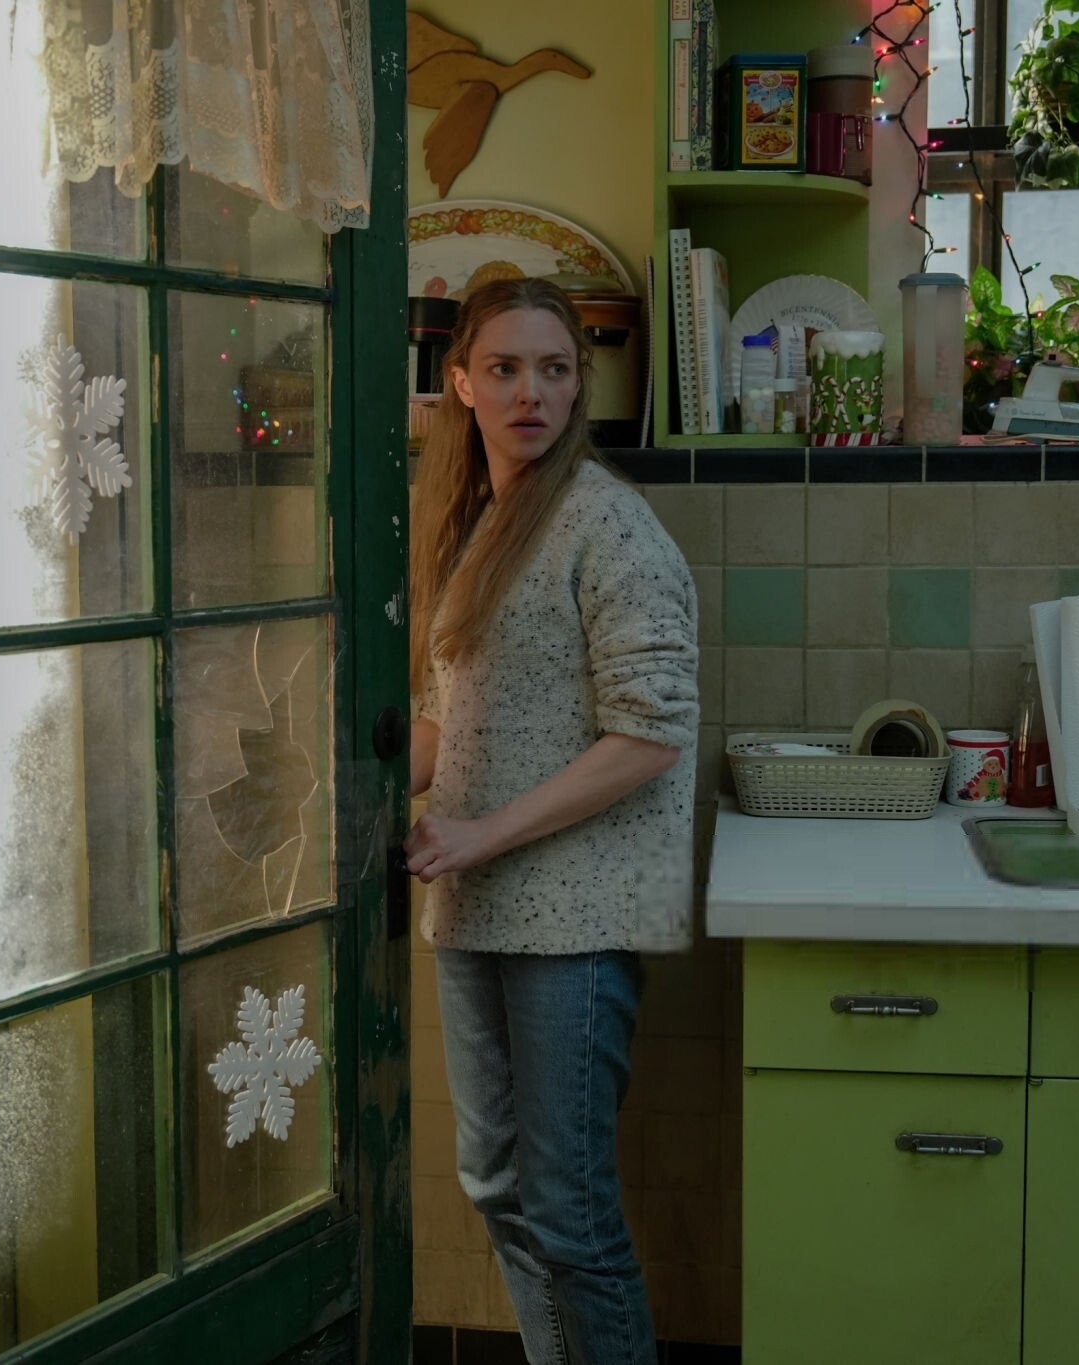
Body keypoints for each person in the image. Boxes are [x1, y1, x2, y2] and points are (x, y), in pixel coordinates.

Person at [406, 276, 699, 1365]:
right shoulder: (471, 525)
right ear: (460, 385)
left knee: (568, 1212)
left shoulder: (607, 524)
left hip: (578, 917)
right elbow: (444, 714)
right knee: (495, 1183)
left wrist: (477, 834)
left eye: (555, 369)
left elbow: (650, 734)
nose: (531, 392)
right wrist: (367, 790)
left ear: (579, 387)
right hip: (472, 902)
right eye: (505, 368)